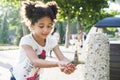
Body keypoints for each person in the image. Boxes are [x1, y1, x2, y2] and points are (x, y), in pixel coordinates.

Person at [10, 1, 76, 80]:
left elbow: (62, 58)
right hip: (18, 77)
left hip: (34, 77)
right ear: (31, 26)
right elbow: (35, 61)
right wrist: (58, 63)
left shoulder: (51, 40)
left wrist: (68, 65)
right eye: (41, 26)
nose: (46, 30)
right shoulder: (26, 41)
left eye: (49, 26)